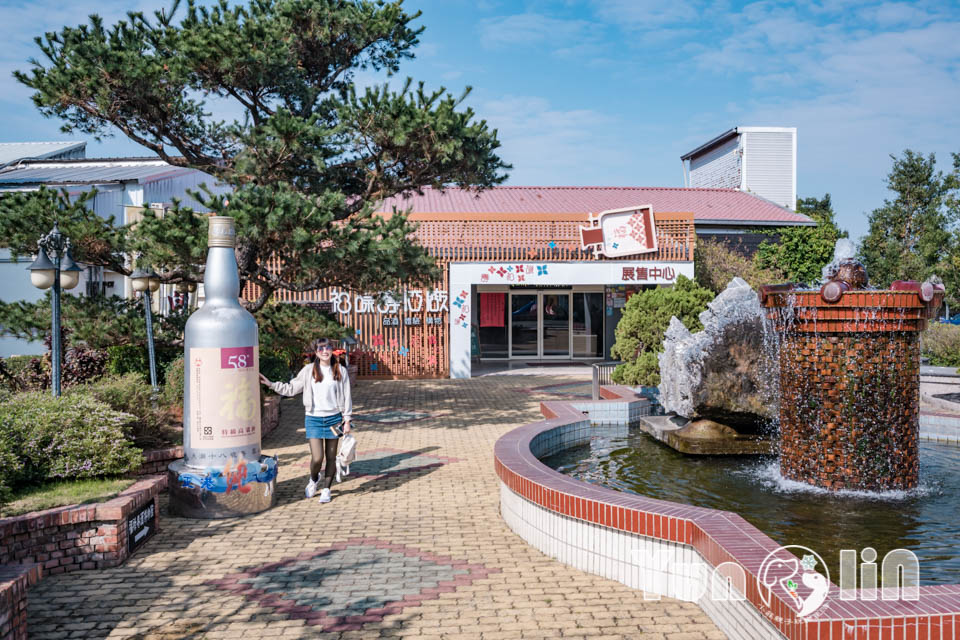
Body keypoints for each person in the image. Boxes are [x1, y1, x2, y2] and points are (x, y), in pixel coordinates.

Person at [259, 337, 353, 503]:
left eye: (327, 348)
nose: (325, 351)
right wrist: (271, 384)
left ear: (332, 350)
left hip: (334, 419)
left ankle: (326, 489)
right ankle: (314, 479)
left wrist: (347, 420)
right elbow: (291, 388)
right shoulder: (309, 370)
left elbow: (347, 397)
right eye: (321, 348)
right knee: (317, 457)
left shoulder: (340, 370)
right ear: (316, 352)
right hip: (313, 419)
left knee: (331, 457)